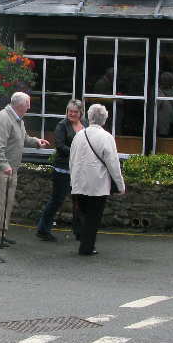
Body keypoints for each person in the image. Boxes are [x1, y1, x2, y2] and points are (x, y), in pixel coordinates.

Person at [0, 91, 50, 248]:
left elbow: (24, 138)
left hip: (11, 168)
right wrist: (4, 165)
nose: (29, 107)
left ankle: (2, 233)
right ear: (20, 105)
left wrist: (36, 142)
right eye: (28, 104)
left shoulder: (18, 119)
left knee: (7, 202)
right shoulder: (3, 118)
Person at [69, 103, 126, 256]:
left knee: (82, 213)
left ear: (89, 117)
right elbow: (113, 164)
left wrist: (72, 179)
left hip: (79, 181)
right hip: (98, 184)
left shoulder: (79, 135)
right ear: (104, 120)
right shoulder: (107, 137)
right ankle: (86, 247)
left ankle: (83, 239)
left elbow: (72, 159)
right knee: (93, 217)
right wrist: (120, 185)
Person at [36, 99, 85, 242]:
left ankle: (79, 231)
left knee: (79, 201)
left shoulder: (86, 124)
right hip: (63, 169)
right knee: (57, 200)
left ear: (80, 113)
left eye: (75, 111)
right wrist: (78, 152)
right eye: (70, 111)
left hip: (80, 169)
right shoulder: (62, 125)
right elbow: (60, 146)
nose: (72, 114)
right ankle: (43, 229)